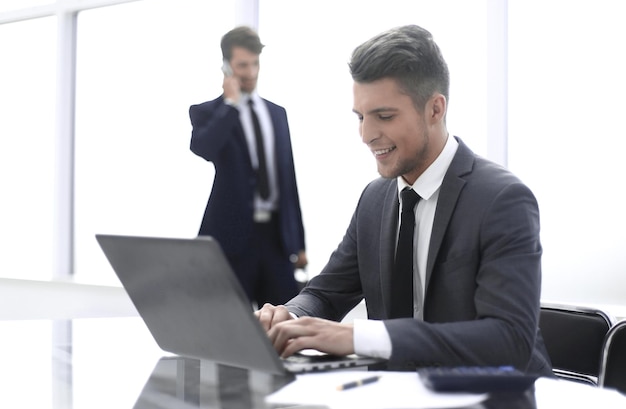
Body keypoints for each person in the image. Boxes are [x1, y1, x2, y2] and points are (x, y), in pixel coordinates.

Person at [255, 24, 553, 375]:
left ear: (435, 109)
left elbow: (509, 339)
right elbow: (325, 294)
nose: (366, 135)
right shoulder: (375, 199)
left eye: (384, 116)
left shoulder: (502, 200)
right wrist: (288, 317)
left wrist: (359, 337)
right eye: (361, 117)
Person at [189, 26, 307, 307]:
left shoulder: (277, 114)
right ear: (226, 67)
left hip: (275, 240)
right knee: (230, 324)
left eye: (255, 63)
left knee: (285, 321)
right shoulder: (208, 112)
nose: (251, 72)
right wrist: (231, 104)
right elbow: (204, 148)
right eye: (243, 65)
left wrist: (298, 241)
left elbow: (288, 179)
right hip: (231, 240)